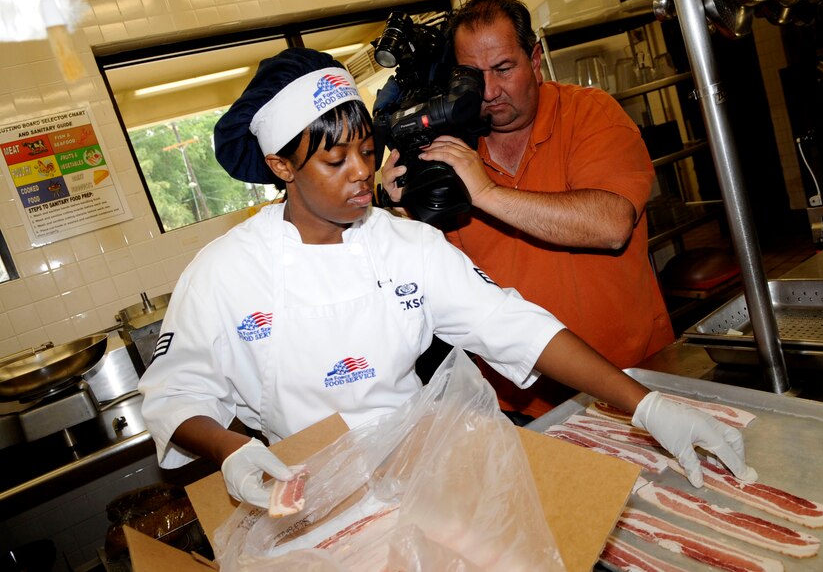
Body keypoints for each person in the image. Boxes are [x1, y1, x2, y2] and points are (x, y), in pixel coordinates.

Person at [138, 47, 754, 511]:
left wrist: (644, 404)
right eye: (334, 159)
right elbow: (173, 396)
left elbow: (514, 326)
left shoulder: (406, 246)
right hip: (309, 498)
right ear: (280, 165)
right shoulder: (224, 273)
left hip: (432, 478)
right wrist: (231, 449)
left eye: (366, 149)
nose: (362, 173)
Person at [380, 0, 675, 420]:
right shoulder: (447, 150)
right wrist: (403, 210)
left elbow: (612, 226)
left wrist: (485, 194)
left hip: (633, 375)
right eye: (473, 75)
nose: (491, 90)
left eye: (504, 68)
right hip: (520, 401)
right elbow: (434, 285)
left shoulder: (590, 114)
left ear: (534, 60)